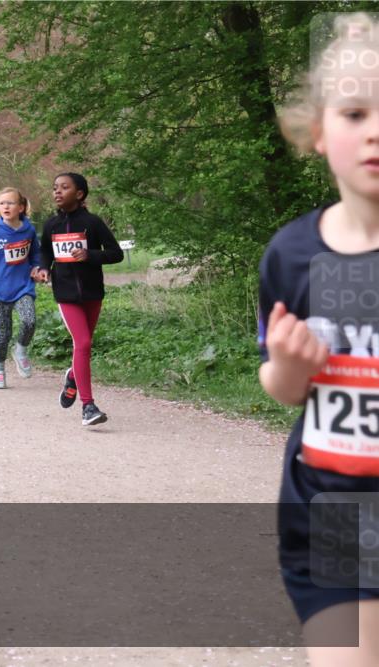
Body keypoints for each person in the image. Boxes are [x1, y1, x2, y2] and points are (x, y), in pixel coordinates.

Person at [261, 13, 379, 666]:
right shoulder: (292, 255)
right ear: (318, 132)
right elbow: (282, 389)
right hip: (331, 514)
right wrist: (288, 364)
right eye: (356, 113)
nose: (375, 131)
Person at [40, 173, 123, 425]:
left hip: (92, 292)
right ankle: (88, 406)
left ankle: (73, 377)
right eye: (55, 187)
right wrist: (43, 269)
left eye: (64, 187)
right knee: (83, 343)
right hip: (65, 294)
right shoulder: (51, 225)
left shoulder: (93, 223)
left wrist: (90, 255)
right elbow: (45, 254)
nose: (57, 191)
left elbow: (116, 253)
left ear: (79, 194)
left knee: (83, 347)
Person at [0, 188, 43, 389]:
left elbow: (35, 255)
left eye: (10, 203)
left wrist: (36, 267)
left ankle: (20, 349)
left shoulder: (29, 230)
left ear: (20, 207)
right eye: (2, 203)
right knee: (4, 333)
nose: (5, 206)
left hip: (22, 288)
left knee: (29, 321)